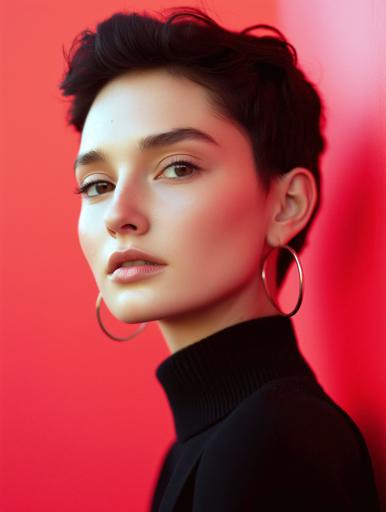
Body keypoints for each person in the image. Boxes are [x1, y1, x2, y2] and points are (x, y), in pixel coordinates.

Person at [58, 6, 380, 511]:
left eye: (177, 168)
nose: (119, 214)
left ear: (287, 204)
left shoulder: (275, 439)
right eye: (97, 185)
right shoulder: (206, 442)